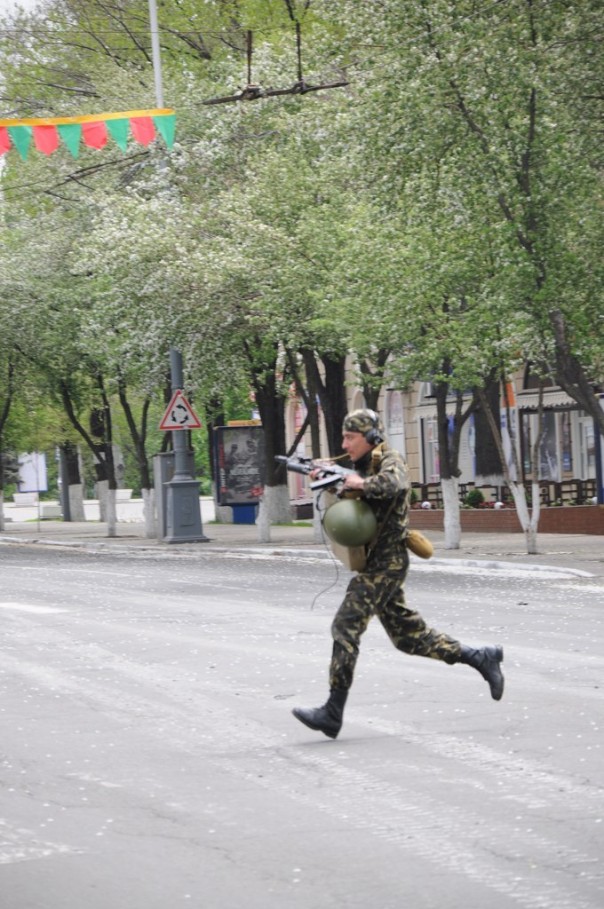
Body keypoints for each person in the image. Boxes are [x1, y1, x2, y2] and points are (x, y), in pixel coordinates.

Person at [292, 408, 504, 739]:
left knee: (345, 625)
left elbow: (395, 483)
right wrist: (328, 477)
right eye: (344, 437)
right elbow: (352, 495)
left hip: (388, 562)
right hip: (375, 561)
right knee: (409, 638)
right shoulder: (359, 466)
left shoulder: (391, 460)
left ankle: (332, 712)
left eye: (351, 437)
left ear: (371, 438)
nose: (345, 444)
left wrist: (357, 482)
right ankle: (481, 657)